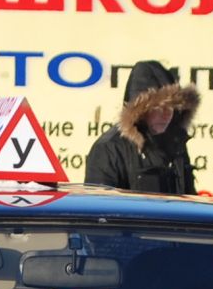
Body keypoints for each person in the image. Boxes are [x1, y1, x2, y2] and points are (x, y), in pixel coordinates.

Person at [84, 61, 199, 194]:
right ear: (139, 110)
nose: (166, 114)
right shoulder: (109, 148)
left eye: (171, 107)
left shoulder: (175, 143)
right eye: (158, 108)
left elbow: (189, 199)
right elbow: (99, 206)